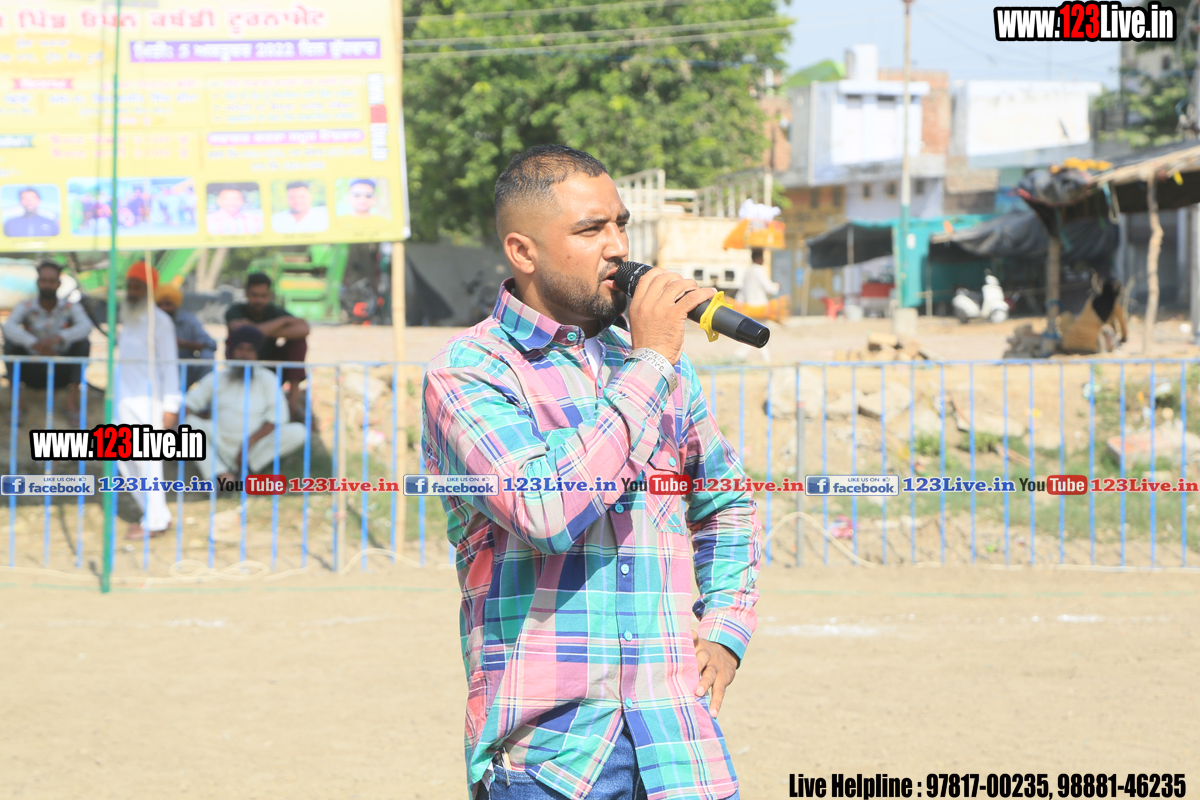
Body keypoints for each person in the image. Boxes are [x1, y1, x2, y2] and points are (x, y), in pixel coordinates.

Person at [422, 145, 761, 800]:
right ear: (523, 252)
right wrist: (652, 362)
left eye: (620, 224)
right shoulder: (469, 373)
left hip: (678, 745)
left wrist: (725, 627)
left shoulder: (654, 365)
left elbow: (726, 503)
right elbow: (547, 512)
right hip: (551, 757)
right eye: (590, 229)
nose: (618, 247)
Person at [184, 325, 305, 485]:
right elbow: (190, 402)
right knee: (185, 424)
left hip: (254, 446)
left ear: (257, 354)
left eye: (250, 350)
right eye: (240, 349)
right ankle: (220, 474)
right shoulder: (218, 377)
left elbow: (278, 416)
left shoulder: (268, 379)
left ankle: (246, 470)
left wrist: (250, 442)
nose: (244, 355)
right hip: (220, 442)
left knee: (298, 432)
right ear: (232, 351)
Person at [116, 261, 180, 540]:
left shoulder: (161, 322)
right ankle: (154, 514)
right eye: (130, 286)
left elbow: (170, 365)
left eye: (138, 287)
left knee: (148, 463)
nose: (132, 292)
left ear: (149, 290)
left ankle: (155, 521)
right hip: (123, 400)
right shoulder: (127, 318)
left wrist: (171, 405)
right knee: (123, 459)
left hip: (150, 402)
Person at [2, 261, 92, 418]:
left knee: (83, 344)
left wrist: (60, 338)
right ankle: (18, 405)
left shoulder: (69, 306)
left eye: (52, 281)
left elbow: (86, 326)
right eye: (43, 281)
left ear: (59, 283)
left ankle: (71, 403)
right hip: (32, 368)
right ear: (38, 282)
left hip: (60, 368)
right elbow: (9, 326)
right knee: (10, 344)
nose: (47, 285)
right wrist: (33, 343)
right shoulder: (26, 305)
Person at [224, 273, 310, 420]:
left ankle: (293, 404)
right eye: (254, 295)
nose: (259, 300)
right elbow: (242, 332)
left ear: (269, 295)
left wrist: (264, 329)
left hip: (271, 367)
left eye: (263, 296)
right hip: (243, 368)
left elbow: (304, 329)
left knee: (298, 342)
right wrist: (281, 324)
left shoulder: (275, 312)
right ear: (246, 294)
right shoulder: (235, 311)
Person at [156, 283, 217, 389]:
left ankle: (205, 395)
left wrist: (183, 344)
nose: (163, 308)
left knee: (207, 356)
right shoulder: (150, 322)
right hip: (158, 368)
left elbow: (211, 344)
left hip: (183, 369)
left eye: (168, 304)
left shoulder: (187, 320)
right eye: (159, 305)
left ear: (175, 305)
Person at [1059, 276, 1128, 355]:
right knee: (1107, 332)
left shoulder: (1092, 300)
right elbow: (1122, 327)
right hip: (1089, 346)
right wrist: (1123, 338)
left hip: (1069, 341)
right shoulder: (1115, 306)